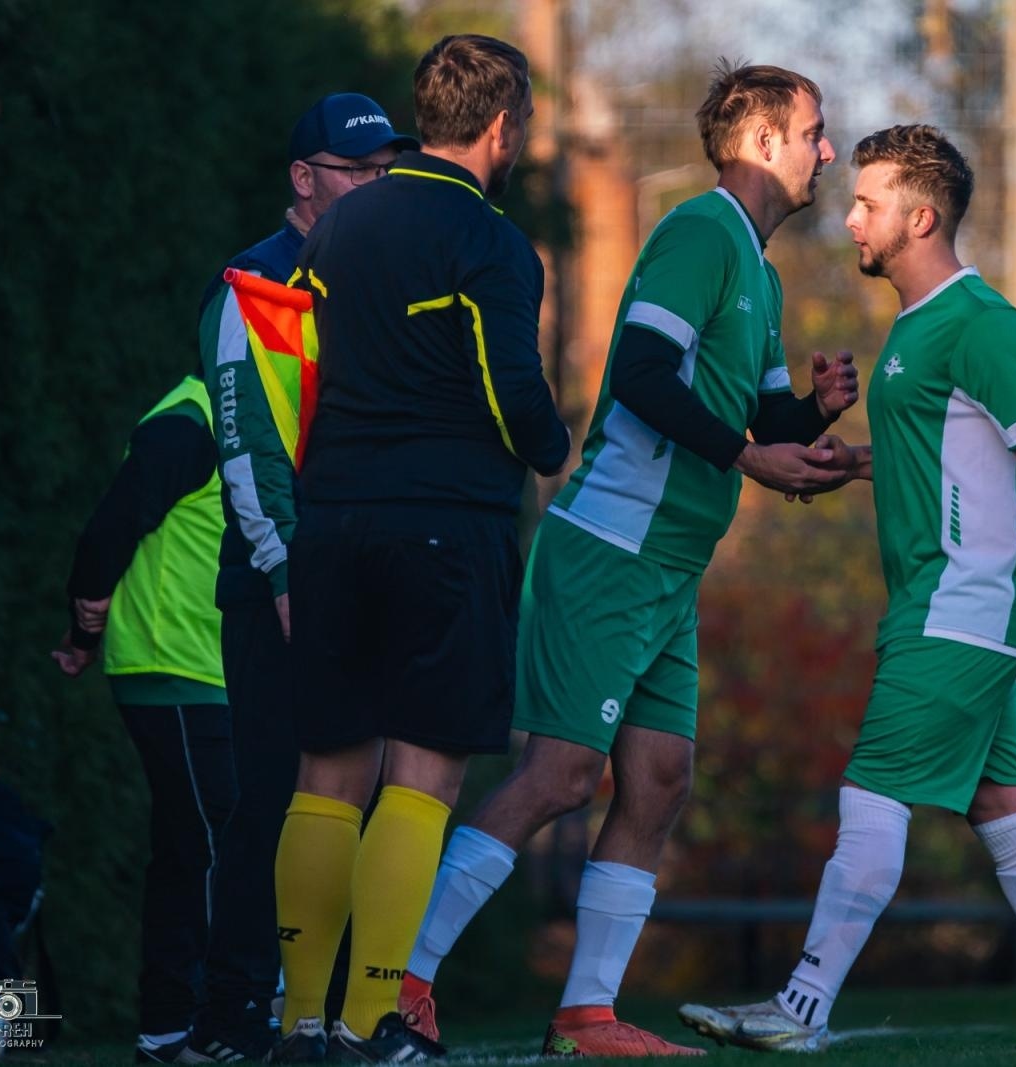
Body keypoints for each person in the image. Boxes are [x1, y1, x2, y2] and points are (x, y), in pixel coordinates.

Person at [396, 60, 857, 1059]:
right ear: (764, 140)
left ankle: (586, 1014)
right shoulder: (698, 234)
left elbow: (757, 415)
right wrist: (749, 451)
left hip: (668, 567)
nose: (829, 150)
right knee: (562, 776)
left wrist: (811, 417)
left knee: (656, 780)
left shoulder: (760, 270)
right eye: (816, 131)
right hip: (610, 549)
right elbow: (643, 376)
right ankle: (404, 981)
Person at [677, 125, 1016, 1054]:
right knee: (1005, 804)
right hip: (949, 607)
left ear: (920, 216)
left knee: (873, 793)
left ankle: (801, 1006)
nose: (849, 217)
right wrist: (850, 460)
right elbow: (944, 463)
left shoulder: (985, 325)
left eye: (870, 202)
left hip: (959, 608)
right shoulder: (914, 330)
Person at [269, 34, 571, 1063]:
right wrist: (550, 446)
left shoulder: (337, 227)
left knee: (326, 772)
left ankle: (298, 1015)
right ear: (502, 127)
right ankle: (367, 1021)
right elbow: (509, 390)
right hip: (445, 525)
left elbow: (300, 372)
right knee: (423, 775)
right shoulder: (491, 242)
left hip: (333, 519)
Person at [188, 93, 416, 1064]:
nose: (373, 184)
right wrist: (284, 573)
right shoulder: (255, 282)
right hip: (279, 586)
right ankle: (234, 1015)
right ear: (304, 178)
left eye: (382, 169)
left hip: (364, 574)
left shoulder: (379, 273)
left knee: (354, 797)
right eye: (354, 169)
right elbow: (246, 445)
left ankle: (332, 1012)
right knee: (272, 799)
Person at [53, 371, 235, 1063]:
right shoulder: (190, 420)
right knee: (212, 844)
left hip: (207, 671)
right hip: (173, 668)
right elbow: (109, 527)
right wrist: (84, 624)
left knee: (196, 845)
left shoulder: (235, 417)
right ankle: (212, 1021)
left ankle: (172, 1026)